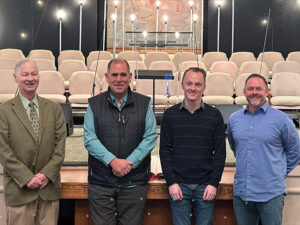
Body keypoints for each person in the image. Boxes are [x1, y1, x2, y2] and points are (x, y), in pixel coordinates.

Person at [84, 58, 157, 225]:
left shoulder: (144, 103)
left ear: (130, 76)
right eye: (114, 75)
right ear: (107, 77)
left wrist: (128, 163)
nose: (119, 79)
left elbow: (150, 136)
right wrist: (113, 161)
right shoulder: (94, 104)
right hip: (101, 183)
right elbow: (90, 139)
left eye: (123, 75)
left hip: (133, 182)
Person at [0, 58, 66, 225]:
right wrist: (27, 178)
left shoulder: (54, 109)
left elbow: (60, 148)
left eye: (34, 74)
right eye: (25, 74)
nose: (30, 78)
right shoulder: (4, 111)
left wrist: (45, 175)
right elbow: (4, 151)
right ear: (15, 78)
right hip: (19, 190)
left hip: (48, 189)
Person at [227, 73, 300, 225]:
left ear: (267, 91)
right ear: (244, 92)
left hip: (271, 194)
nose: (254, 92)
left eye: (259, 88)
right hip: (242, 194)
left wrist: (278, 172)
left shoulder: (282, 120)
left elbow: (295, 151)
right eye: (250, 88)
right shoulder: (234, 119)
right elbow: (236, 147)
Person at [159, 67, 226, 225]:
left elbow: (220, 153)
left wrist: (213, 183)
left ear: (204, 87)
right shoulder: (170, 115)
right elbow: (165, 151)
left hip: (206, 186)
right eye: (189, 83)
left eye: (197, 84)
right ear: (182, 85)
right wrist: (172, 183)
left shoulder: (214, 116)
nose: (193, 88)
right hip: (179, 186)